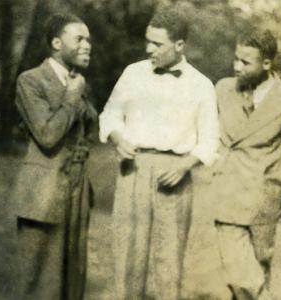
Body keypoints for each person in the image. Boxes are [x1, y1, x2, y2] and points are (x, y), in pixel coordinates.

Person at [99, 7, 219, 300]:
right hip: (134, 168)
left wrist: (184, 166)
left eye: (157, 43)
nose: (148, 48)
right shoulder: (132, 73)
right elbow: (110, 115)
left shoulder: (201, 85)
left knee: (169, 261)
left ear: (179, 45)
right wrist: (117, 137)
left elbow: (210, 140)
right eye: (147, 41)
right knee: (128, 255)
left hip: (175, 175)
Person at [209, 28, 281, 299]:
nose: (236, 67)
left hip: (266, 196)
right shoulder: (223, 89)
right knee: (239, 272)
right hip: (229, 190)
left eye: (245, 62)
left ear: (266, 64)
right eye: (236, 59)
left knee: (258, 266)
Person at [10, 13, 96, 300]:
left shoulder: (79, 83)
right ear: (57, 43)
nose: (87, 45)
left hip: (77, 192)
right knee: (39, 283)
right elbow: (47, 135)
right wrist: (72, 97)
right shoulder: (30, 81)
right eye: (79, 39)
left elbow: (88, 134)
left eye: (89, 40)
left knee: (73, 280)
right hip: (43, 194)